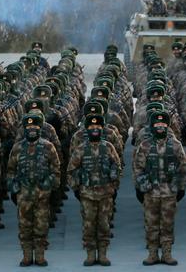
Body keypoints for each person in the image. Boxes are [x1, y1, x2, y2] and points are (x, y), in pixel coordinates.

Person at [133, 111, 186, 266]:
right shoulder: (145, 146)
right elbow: (138, 168)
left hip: (169, 192)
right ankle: (152, 254)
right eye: (157, 124)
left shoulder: (176, 145)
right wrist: (141, 187)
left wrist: (181, 187)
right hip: (150, 192)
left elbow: (182, 167)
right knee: (151, 224)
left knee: (167, 224)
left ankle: (167, 253)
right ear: (152, 126)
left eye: (163, 124)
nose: (160, 126)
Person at [7, 113, 60, 267]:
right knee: (24, 226)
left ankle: (40, 256)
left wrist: (48, 185)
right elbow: (10, 170)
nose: (32, 129)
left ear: (40, 128)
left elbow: (56, 169)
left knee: (41, 226)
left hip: (42, 195)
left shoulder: (48, 146)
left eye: (35, 127)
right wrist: (14, 187)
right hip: (23, 194)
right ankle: (27, 256)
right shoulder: (17, 148)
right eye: (29, 127)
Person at [68, 113, 121, 266]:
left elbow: (117, 167)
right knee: (88, 225)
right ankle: (90, 254)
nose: (95, 129)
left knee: (104, 225)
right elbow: (71, 170)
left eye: (98, 126)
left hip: (106, 194)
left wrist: (114, 187)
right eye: (91, 126)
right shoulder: (81, 149)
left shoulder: (108, 147)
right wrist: (77, 189)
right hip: (87, 194)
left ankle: (103, 254)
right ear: (87, 129)